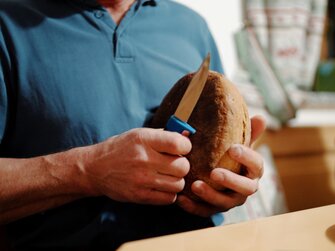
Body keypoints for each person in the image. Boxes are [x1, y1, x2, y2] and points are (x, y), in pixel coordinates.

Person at [0, 0, 266, 250]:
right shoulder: (7, 23)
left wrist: (226, 188)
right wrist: (87, 170)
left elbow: (216, 156)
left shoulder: (191, 26)